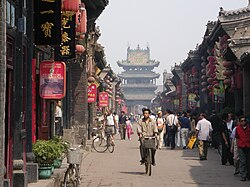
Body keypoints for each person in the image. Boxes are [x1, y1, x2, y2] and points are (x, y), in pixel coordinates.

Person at [235, 115, 250, 181]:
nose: (243, 122)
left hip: (248, 145)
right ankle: (243, 175)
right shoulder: (237, 128)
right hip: (241, 146)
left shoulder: (249, 128)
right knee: (242, 161)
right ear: (239, 122)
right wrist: (237, 146)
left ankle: (248, 175)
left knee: (248, 161)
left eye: (244, 121)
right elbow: (237, 137)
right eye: (242, 121)